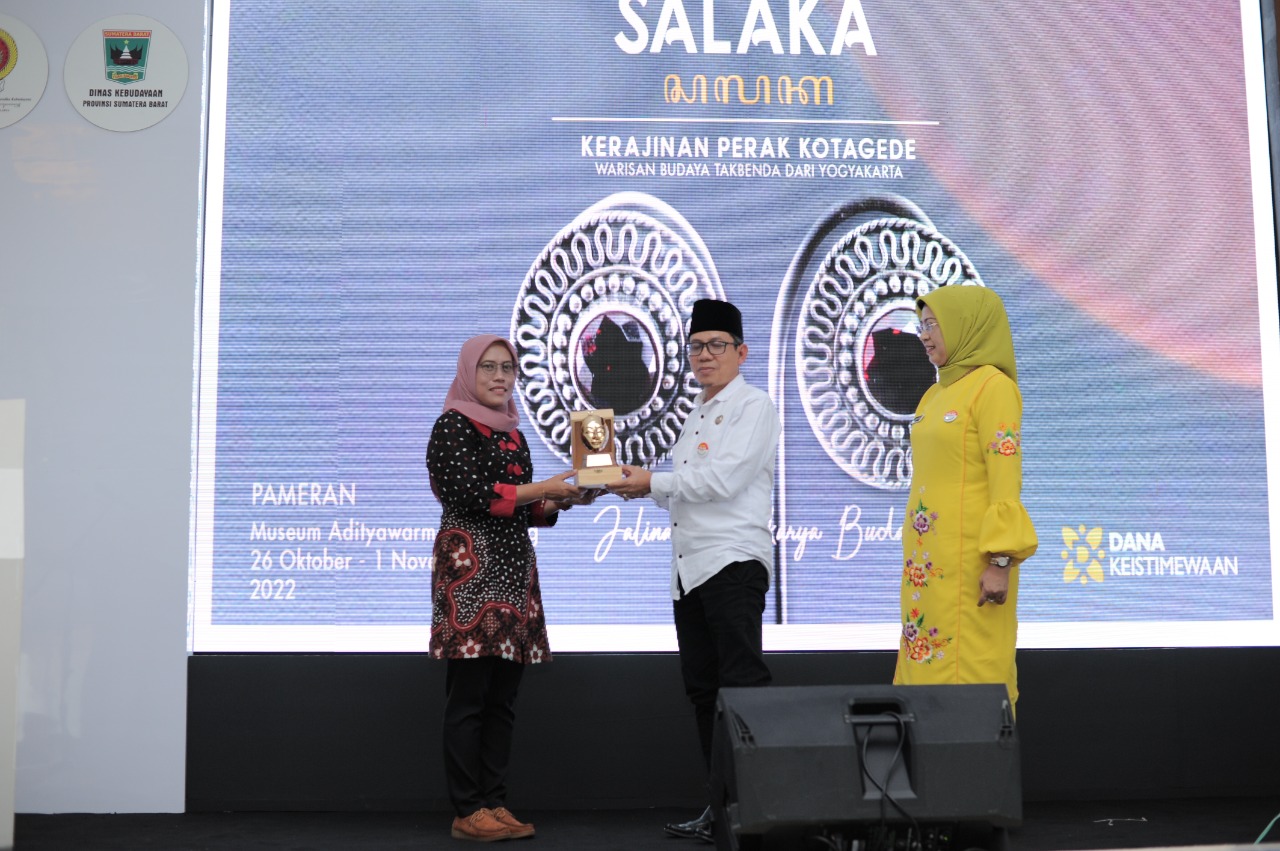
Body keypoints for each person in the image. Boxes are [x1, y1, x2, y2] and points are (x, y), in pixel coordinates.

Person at [608, 299, 780, 843]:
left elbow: (723, 480)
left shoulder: (755, 406)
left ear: (740, 352)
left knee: (742, 687)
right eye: (697, 347)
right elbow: (684, 491)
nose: (705, 356)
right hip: (689, 570)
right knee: (705, 694)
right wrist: (631, 485)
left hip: (732, 562)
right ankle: (719, 808)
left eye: (717, 346)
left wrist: (650, 483)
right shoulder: (693, 415)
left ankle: (757, 808)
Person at [426, 333, 591, 842]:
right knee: (469, 698)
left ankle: (494, 803)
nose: (500, 378)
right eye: (489, 368)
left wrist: (561, 500)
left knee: (502, 699)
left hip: (513, 569)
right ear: (468, 374)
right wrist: (542, 489)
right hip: (470, 574)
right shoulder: (452, 425)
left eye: (509, 368)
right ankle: (466, 809)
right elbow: (471, 494)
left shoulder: (512, 433)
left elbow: (522, 505)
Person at [896, 286, 1038, 707]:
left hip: (972, 570)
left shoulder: (993, 388)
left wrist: (1000, 561)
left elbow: (1005, 477)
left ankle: (974, 768)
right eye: (921, 325)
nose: (923, 335)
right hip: (927, 567)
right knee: (924, 682)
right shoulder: (934, 393)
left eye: (933, 324)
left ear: (965, 325)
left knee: (972, 681)